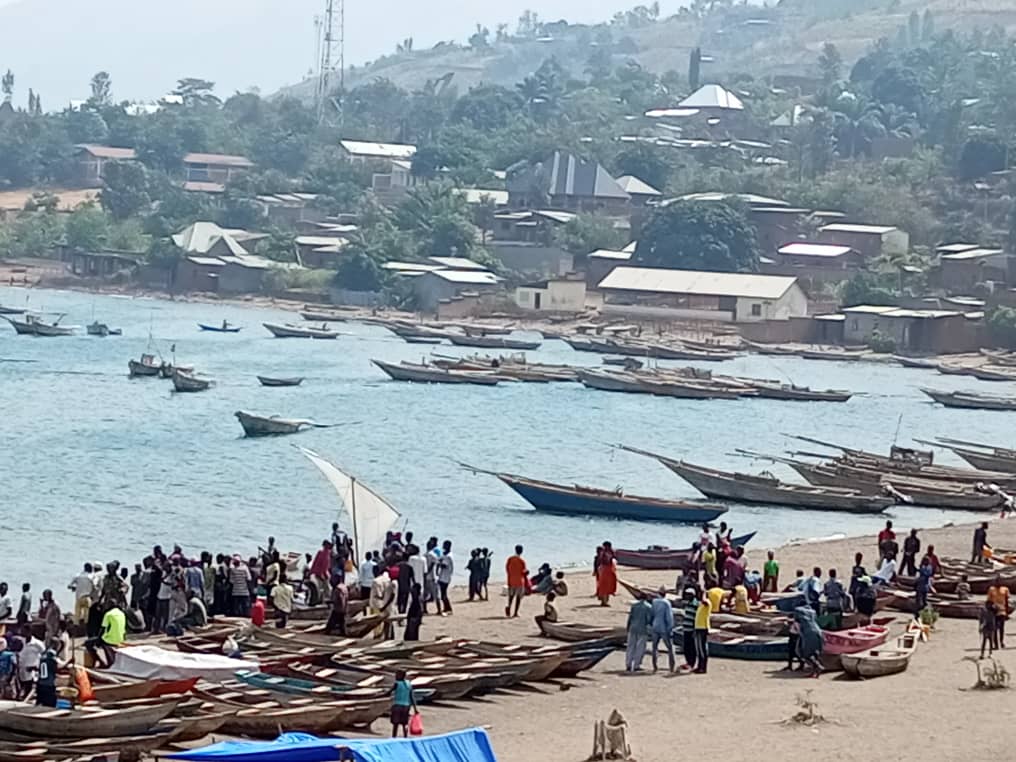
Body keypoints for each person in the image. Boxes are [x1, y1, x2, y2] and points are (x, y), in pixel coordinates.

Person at [649, 587, 675, 673]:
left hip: (655, 626)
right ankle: (671, 667)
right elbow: (669, 617)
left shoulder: (654, 602)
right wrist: (670, 628)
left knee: (654, 647)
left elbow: (651, 614)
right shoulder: (666, 603)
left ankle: (655, 667)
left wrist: (651, 624)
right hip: (664, 628)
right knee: (670, 648)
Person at [624, 596, 652, 673]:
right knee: (640, 647)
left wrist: (628, 626)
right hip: (642, 629)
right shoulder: (648, 607)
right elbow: (649, 619)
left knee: (630, 646)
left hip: (633, 628)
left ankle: (628, 664)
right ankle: (636, 665)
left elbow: (630, 617)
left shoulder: (634, 606)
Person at [388, 669, 418, 738]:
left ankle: (394, 737)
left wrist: (379, 695)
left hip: (397, 705)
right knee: (404, 723)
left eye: (397, 675)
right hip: (406, 706)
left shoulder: (397, 683)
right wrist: (415, 709)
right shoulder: (408, 684)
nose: (395, 676)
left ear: (401, 676)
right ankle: (405, 736)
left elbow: (389, 692)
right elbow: (412, 697)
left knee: (396, 723)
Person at [679, 587, 699, 671]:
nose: (687, 596)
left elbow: (696, 617)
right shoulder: (688, 603)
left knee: (691, 647)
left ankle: (692, 663)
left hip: (691, 629)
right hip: (686, 628)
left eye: (689, 595)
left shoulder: (695, 604)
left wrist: (695, 629)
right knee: (686, 647)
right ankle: (688, 662)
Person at [18, 633, 44, 699]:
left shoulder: (37, 643)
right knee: (21, 684)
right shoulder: (21, 641)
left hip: (31, 669)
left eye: (25, 631)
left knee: (29, 686)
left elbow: (43, 654)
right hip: (21, 668)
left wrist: (36, 666)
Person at [987, 578, 1010, 649]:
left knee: (1001, 628)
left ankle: (1001, 642)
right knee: (994, 628)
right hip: (994, 611)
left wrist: (1007, 611)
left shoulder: (1005, 589)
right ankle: (996, 644)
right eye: (997, 581)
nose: (998, 583)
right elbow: (988, 601)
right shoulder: (991, 589)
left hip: (1002, 611)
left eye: (1000, 581)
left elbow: (1006, 601)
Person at [505, 546, 527, 618]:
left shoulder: (510, 559)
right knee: (518, 598)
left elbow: (507, 569)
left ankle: (509, 607)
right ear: (521, 551)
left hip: (511, 580)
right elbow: (523, 572)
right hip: (519, 581)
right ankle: (515, 612)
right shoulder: (521, 561)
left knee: (511, 596)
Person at [693, 590, 711, 674]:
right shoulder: (701, 605)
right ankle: (700, 666)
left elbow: (704, 601)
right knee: (699, 648)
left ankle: (703, 667)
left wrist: (704, 593)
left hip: (702, 628)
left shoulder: (707, 603)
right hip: (698, 628)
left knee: (702, 649)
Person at [436, 541, 454, 616]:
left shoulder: (449, 556)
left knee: (443, 594)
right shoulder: (445, 555)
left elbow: (444, 565)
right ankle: (446, 608)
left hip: (445, 577)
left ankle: (448, 608)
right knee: (442, 593)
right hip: (442, 576)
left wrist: (438, 563)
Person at [424, 538, 441, 614]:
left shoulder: (424, 555)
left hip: (426, 577)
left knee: (425, 594)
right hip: (433, 577)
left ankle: (424, 609)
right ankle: (439, 610)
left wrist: (425, 573)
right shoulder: (434, 555)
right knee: (436, 594)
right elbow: (434, 565)